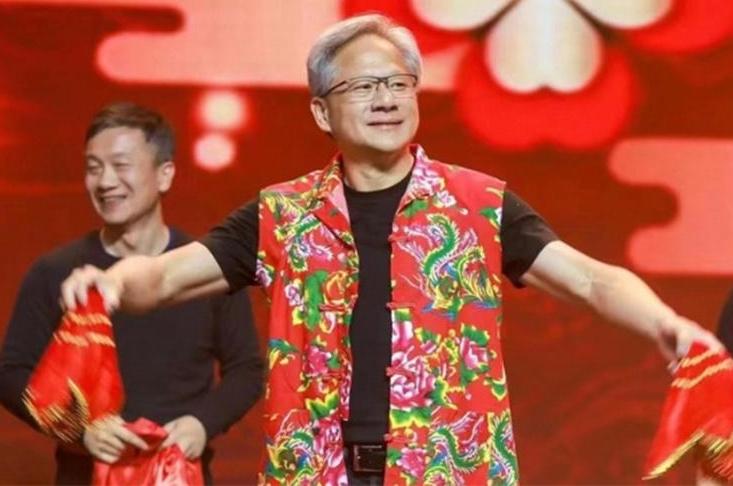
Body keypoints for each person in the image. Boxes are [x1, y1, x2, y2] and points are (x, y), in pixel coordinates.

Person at [58, 16, 721, 485]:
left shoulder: (477, 204)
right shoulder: (282, 215)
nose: (386, 99)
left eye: (399, 83)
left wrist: (662, 321)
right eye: (364, 86)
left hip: (450, 470)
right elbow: (164, 280)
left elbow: (590, 280)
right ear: (322, 112)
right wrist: (113, 283)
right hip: (315, 471)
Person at [0, 102, 263, 485]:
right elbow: (11, 374)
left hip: (178, 473)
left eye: (121, 165)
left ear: (164, 174)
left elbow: (247, 370)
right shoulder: (55, 272)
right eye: (94, 168)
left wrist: (202, 423)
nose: (105, 181)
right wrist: (80, 430)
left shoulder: (205, 270)